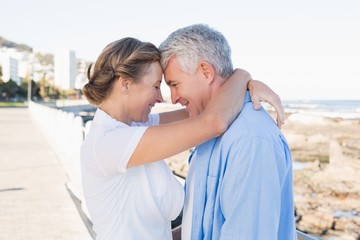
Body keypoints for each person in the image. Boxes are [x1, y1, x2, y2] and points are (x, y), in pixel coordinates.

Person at [80, 37, 284, 240]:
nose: (161, 98)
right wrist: (242, 76)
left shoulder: (136, 127)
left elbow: (197, 110)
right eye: (156, 86)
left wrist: (246, 86)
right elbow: (213, 122)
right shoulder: (109, 143)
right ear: (125, 84)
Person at [159, 24, 296, 240]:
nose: (173, 97)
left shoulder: (251, 139)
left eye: (175, 84)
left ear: (206, 71)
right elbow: (198, 226)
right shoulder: (208, 128)